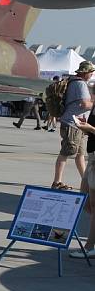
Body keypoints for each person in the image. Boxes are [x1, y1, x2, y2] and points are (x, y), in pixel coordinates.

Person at [51, 61, 95, 190]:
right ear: (85, 72)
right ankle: (57, 182)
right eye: (91, 73)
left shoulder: (73, 81)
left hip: (78, 125)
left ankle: (84, 180)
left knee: (79, 154)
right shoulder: (80, 84)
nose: (91, 75)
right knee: (66, 152)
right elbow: (84, 104)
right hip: (72, 124)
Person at [69, 106, 95, 259]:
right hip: (91, 157)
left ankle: (90, 246)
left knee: (93, 204)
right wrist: (85, 127)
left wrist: (90, 128)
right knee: (84, 201)